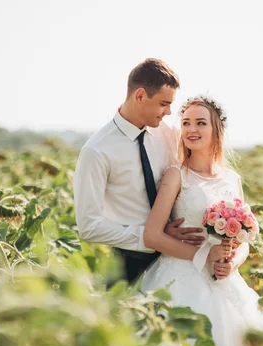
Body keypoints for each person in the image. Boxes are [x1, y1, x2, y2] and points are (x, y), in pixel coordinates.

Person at [141, 96, 263, 346]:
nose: (192, 129)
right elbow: (152, 235)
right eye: (186, 123)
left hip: (225, 281)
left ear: (216, 129)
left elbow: (244, 240)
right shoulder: (176, 175)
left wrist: (232, 263)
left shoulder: (232, 179)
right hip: (180, 276)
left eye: (200, 122)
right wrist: (203, 254)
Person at [73, 58, 243, 284]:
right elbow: (89, 226)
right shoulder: (97, 151)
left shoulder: (170, 135)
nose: (169, 111)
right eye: (164, 103)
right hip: (129, 262)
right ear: (140, 96)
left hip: (186, 262)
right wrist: (151, 236)